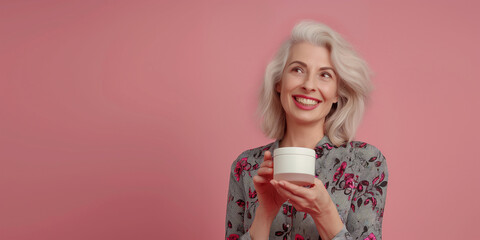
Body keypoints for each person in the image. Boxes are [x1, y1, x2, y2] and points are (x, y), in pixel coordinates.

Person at [225, 21, 388, 240]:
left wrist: (325, 213)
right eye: (298, 69)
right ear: (279, 82)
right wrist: (264, 214)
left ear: (337, 93)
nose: (309, 85)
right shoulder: (246, 167)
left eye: (325, 75)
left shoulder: (366, 161)